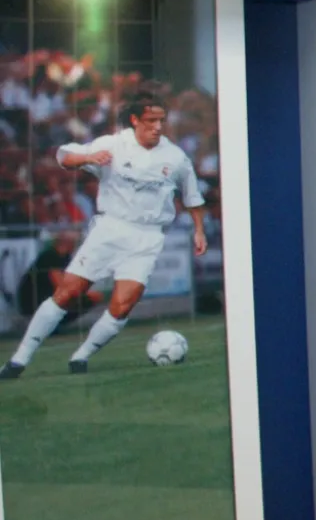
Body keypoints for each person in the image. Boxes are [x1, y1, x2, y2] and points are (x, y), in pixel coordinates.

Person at [0, 86, 205, 377]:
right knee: (68, 292)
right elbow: (64, 154)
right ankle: (18, 360)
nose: (158, 127)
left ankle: (81, 357)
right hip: (110, 228)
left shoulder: (175, 157)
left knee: (123, 304)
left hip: (147, 236)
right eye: (151, 121)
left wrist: (199, 230)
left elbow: (193, 196)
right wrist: (88, 158)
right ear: (135, 120)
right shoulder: (113, 145)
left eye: (161, 121)